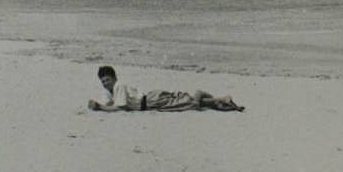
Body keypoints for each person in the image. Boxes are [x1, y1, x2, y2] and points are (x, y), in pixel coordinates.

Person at [88, 65, 244, 112]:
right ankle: (220, 101)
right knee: (186, 103)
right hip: (151, 101)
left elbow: (120, 108)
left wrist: (99, 107)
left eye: (107, 80)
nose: (105, 83)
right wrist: (100, 104)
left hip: (150, 101)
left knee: (191, 103)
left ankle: (213, 96)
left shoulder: (119, 86)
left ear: (114, 78)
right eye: (102, 81)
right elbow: (110, 104)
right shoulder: (109, 89)